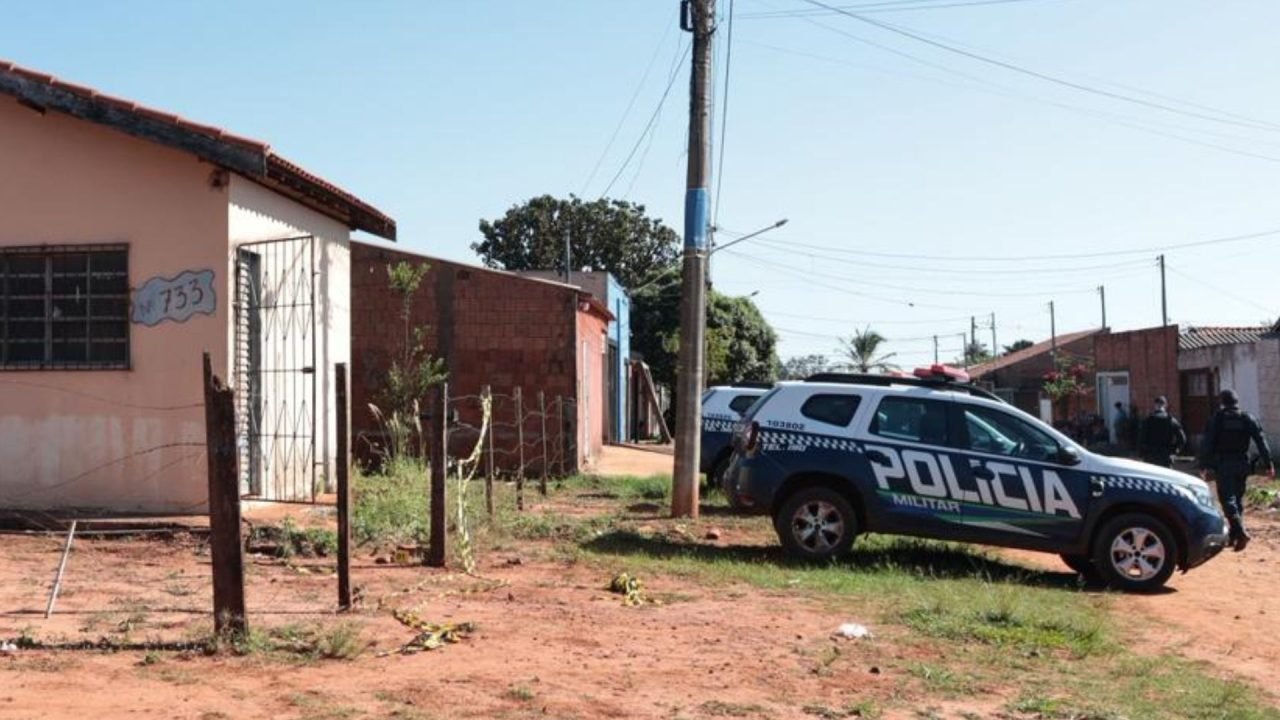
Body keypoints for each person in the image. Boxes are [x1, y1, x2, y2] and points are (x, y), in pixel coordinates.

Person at [1199, 389, 1275, 551]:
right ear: (1236, 401)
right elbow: (1261, 441)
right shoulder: (1247, 418)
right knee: (1237, 499)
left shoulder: (1217, 419)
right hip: (1242, 463)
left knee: (1227, 499)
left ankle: (1240, 532)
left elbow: (1208, 443)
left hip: (1225, 464)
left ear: (1222, 402)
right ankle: (1235, 536)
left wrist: (1203, 465)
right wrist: (1269, 464)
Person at [1138, 395, 1186, 468]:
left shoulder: (1148, 420)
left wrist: (1142, 454)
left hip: (1150, 456)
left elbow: (1141, 439)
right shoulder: (1171, 420)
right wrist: (1174, 451)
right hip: (1165, 456)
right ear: (1165, 405)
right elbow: (1182, 439)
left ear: (1155, 405)